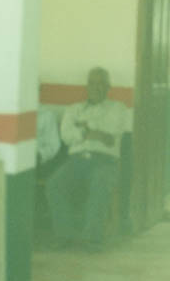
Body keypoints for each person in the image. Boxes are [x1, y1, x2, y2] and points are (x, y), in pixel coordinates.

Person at [46, 67, 133, 251]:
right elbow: (66, 137)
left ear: (109, 87)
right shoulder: (73, 109)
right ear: (87, 86)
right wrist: (92, 132)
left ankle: (92, 239)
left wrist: (83, 129)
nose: (96, 88)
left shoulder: (118, 108)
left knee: (100, 181)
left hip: (105, 161)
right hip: (76, 161)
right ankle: (65, 235)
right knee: (54, 183)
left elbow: (109, 138)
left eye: (101, 84)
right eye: (92, 83)